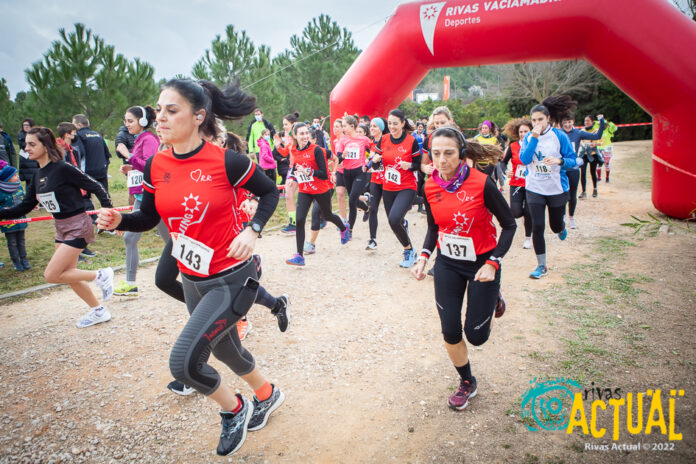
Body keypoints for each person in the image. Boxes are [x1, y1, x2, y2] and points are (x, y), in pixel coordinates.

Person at [97, 78, 285, 456]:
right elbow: (147, 217)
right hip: (194, 278)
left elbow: (269, 192)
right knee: (226, 351)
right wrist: (120, 221)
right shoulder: (156, 164)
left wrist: (253, 230)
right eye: (158, 110)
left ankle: (235, 409)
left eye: (171, 110)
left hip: (232, 278)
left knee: (184, 364)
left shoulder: (227, 161)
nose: (159, 118)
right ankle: (268, 394)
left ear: (198, 116)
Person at [412, 127, 516, 411]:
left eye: (448, 153)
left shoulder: (481, 183)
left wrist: (494, 263)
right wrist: (423, 255)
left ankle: (494, 296)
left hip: (482, 264)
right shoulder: (429, 186)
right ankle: (467, 381)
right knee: (450, 330)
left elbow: (509, 225)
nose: (441, 160)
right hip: (447, 263)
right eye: (435, 154)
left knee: (477, 336)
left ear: (461, 154)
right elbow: (434, 226)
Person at [0, 127, 115, 327]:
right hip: (60, 227)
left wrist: (108, 212)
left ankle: (101, 275)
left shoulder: (63, 168)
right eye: (25, 144)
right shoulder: (36, 176)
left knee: (51, 275)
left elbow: (95, 186)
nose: (26, 148)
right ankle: (99, 310)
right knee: (68, 275)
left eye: (32, 144)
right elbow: (24, 207)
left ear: (46, 145)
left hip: (78, 225)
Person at [520, 96, 578, 279]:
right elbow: (525, 159)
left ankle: (561, 227)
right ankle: (541, 266)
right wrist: (534, 138)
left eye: (540, 120)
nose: (537, 123)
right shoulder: (529, 137)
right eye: (534, 120)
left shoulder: (559, 136)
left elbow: (573, 160)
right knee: (537, 226)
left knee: (554, 226)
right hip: (534, 188)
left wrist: (559, 161)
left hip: (556, 188)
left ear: (548, 120)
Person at [113, 105, 165, 297]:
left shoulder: (149, 139)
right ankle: (130, 283)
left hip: (154, 198)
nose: (126, 125)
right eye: (125, 121)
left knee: (171, 241)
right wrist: (130, 167)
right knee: (129, 237)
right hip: (141, 197)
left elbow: (151, 167)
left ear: (142, 121)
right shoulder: (139, 139)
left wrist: (128, 156)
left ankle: (191, 275)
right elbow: (141, 165)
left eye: (130, 121)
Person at [286, 123, 350, 266]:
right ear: (295, 136)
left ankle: (343, 227)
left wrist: (309, 172)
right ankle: (299, 256)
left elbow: (323, 174)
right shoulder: (294, 150)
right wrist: (292, 178)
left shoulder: (316, 150)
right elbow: (295, 167)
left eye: (306, 133)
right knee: (300, 219)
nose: (304, 136)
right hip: (305, 190)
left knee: (327, 215)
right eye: (301, 134)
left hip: (321, 189)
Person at [371, 109, 421, 268]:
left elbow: (418, 165)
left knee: (393, 219)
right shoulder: (384, 139)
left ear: (403, 124)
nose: (392, 126)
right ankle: (405, 234)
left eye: (395, 123)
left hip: (407, 186)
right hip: (388, 186)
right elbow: (376, 164)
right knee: (393, 222)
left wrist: (410, 165)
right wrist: (375, 160)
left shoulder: (411, 141)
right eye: (390, 123)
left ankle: (409, 251)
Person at [560, 113, 605, 228]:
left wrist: (602, 122)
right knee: (562, 195)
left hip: (574, 168)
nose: (567, 124)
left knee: (572, 195)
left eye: (569, 122)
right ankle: (562, 217)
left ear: (573, 121)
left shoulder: (578, 133)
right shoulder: (558, 134)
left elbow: (597, 136)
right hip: (560, 169)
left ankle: (571, 218)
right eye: (565, 122)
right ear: (562, 123)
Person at [335, 115, 372, 235]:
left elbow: (374, 149)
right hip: (347, 172)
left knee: (351, 200)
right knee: (353, 200)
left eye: (344, 126)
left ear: (352, 126)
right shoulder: (343, 140)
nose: (343, 128)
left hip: (359, 172)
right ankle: (367, 209)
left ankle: (349, 230)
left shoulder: (364, 139)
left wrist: (369, 160)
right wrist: (342, 156)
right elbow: (339, 159)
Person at [71, 114, 112, 218]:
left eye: (73, 124)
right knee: (104, 197)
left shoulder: (78, 136)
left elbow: (79, 153)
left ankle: (95, 220)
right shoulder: (97, 135)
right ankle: (110, 220)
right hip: (102, 170)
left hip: (87, 172)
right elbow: (107, 154)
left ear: (79, 125)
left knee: (84, 197)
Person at [502, 118, 534, 249]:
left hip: (532, 183)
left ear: (531, 131)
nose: (523, 134)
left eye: (526, 131)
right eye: (521, 131)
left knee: (528, 211)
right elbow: (503, 162)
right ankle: (524, 217)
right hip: (516, 183)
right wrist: (506, 171)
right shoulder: (513, 146)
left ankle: (528, 238)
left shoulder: (535, 145)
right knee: (515, 212)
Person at [274, 112, 301, 234]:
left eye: (286, 124)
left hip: (302, 167)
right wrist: (278, 146)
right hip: (292, 168)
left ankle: (321, 215)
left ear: (293, 124)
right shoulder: (287, 135)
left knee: (312, 195)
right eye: (283, 124)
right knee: (289, 195)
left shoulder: (299, 135)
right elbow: (286, 153)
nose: (284, 127)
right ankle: (293, 223)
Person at [0, 165, 30, 270]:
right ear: (7, 178)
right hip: (8, 223)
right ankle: (16, 261)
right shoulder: (1, 191)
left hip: (20, 219)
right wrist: (4, 209)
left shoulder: (19, 187)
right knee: (12, 242)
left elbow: (24, 198)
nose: (17, 177)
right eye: (15, 175)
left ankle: (24, 258)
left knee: (21, 240)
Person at [365, 117, 388, 250]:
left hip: (388, 180)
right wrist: (367, 164)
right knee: (373, 209)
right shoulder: (371, 144)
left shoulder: (387, 142)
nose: (372, 128)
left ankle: (403, 223)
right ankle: (373, 240)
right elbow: (369, 159)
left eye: (375, 126)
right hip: (375, 179)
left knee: (390, 211)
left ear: (381, 128)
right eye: (371, 126)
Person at [331, 118, 348, 224]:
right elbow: (336, 158)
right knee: (340, 194)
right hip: (340, 170)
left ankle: (366, 207)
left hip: (349, 170)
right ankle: (344, 220)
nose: (334, 129)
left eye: (337, 126)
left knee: (353, 198)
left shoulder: (346, 140)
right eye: (334, 126)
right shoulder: (335, 141)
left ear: (343, 128)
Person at [17, 118, 39, 189]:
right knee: (29, 184)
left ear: (32, 126)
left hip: (35, 161)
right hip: (25, 162)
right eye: (24, 125)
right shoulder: (21, 135)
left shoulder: (36, 135)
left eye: (28, 125)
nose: (26, 126)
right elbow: (24, 146)